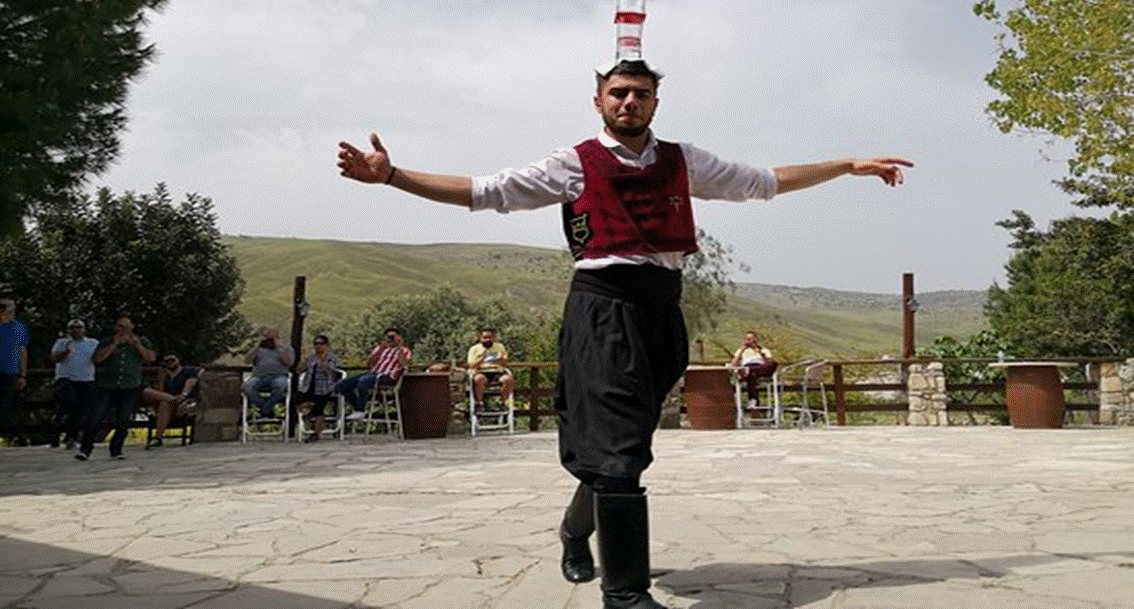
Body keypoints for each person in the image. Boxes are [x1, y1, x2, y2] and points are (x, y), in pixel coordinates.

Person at [337, 57, 911, 609]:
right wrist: (393, 177)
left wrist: (846, 165)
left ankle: (572, 530)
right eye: (618, 93)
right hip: (602, 311)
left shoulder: (684, 161)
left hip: (663, 312)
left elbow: (763, 182)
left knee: (628, 450)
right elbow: (485, 191)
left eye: (640, 94)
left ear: (656, 102)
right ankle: (626, 593)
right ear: (599, 103)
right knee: (618, 454)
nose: (629, 102)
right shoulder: (574, 162)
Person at [77, 314, 156, 460]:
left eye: (126, 327)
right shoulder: (106, 342)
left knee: (123, 419)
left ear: (132, 328)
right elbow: (97, 359)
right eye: (120, 326)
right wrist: (114, 344)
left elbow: (150, 358)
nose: (123, 330)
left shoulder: (142, 341)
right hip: (106, 385)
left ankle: (116, 450)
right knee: (96, 417)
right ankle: (85, 449)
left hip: (129, 385)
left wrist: (137, 346)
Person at [339, 327, 410, 421]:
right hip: (374, 373)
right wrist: (381, 348)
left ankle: (360, 410)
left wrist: (399, 347)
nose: (390, 339)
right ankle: (358, 407)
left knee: (363, 381)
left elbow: (404, 364)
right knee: (342, 384)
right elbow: (369, 362)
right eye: (388, 337)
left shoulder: (404, 350)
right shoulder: (382, 348)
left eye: (393, 337)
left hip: (388, 376)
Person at [50, 319, 99, 450]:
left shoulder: (93, 343)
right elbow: (54, 358)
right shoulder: (61, 342)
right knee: (71, 403)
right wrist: (65, 352)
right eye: (72, 327)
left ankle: (73, 435)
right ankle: (63, 430)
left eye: (79, 327)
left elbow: (99, 359)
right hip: (66, 378)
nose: (76, 330)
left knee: (82, 409)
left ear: (84, 329)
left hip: (86, 379)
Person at [141, 353, 201, 449]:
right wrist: (162, 377)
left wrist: (183, 395)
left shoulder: (188, 371)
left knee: (165, 404)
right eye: (167, 361)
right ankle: (171, 399)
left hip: (183, 402)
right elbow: (160, 391)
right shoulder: (165, 375)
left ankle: (158, 438)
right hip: (169, 400)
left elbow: (191, 383)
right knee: (147, 392)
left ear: (178, 360)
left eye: (172, 360)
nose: (169, 363)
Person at [242, 327, 294, 421]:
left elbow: (289, 362)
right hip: (259, 377)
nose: (269, 341)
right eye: (266, 338)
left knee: (280, 386)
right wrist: (257, 346)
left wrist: (278, 347)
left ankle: (265, 411)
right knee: (247, 387)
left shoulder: (286, 348)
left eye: (271, 339)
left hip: (278, 376)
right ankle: (266, 408)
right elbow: (246, 361)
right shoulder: (259, 350)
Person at [295, 334, 341, 442]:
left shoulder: (331, 358)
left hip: (324, 387)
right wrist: (304, 361)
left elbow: (334, 373)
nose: (318, 346)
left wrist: (323, 362)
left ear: (326, 345)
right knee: (296, 400)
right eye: (316, 344)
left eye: (321, 344)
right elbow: (299, 370)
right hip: (308, 386)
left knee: (319, 407)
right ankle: (308, 417)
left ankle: (316, 433)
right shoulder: (311, 357)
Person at [0, 296, 30, 446]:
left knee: (9, 404)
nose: (6, 309)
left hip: (11, 370)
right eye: (3, 306)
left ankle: (13, 436)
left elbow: (23, 350)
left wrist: (23, 374)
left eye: (9, 306)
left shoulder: (19, 326)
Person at [466, 327, 512, 413]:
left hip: (497, 372)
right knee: (479, 379)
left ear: (494, 338)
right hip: (481, 373)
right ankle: (479, 404)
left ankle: (502, 403)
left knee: (508, 379)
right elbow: (472, 365)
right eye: (485, 337)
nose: (488, 340)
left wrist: (501, 359)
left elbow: (504, 363)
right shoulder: (474, 349)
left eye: (490, 337)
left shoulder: (499, 347)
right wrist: (481, 359)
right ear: (480, 338)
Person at [730, 331, 778, 411]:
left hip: (761, 368)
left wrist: (759, 352)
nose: (751, 341)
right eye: (748, 339)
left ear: (756, 340)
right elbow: (733, 363)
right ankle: (753, 400)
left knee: (773, 364)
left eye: (753, 339)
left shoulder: (763, 350)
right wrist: (742, 349)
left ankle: (747, 372)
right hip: (749, 367)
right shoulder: (742, 351)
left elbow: (771, 362)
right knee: (752, 374)